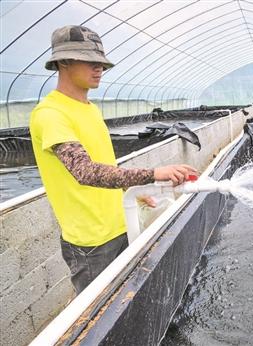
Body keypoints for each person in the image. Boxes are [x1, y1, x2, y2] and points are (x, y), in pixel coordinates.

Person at [29, 25, 198, 295]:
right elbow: (84, 171)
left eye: (102, 64)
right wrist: (153, 174)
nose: (100, 69)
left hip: (120, 224)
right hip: (91, 244)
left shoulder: (91, 109)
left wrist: (132, 192)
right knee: (99, 322)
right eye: (91, 62)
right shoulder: (50, 114)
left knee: (126, 303)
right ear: (63, 62)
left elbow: (104, 164)